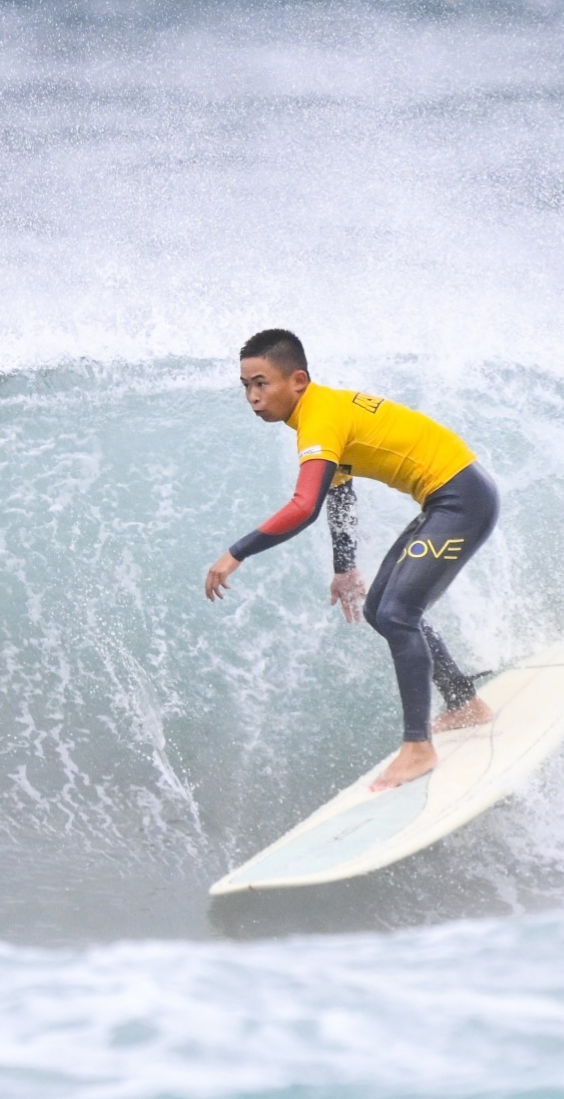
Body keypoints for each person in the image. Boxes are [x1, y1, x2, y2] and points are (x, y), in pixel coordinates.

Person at [204, 329, 498, 790]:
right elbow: (339, 493)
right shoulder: (322, 411)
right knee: (381, 610)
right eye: (246, 386)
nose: (253, 397)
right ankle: (463, 703)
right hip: (449, 501)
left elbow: (304, 506)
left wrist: (236, 553)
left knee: (398, 613)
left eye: (262, 383)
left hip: (462, 502)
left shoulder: (319, 418)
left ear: (297, 380)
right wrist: (345, 568)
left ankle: (418, 748)